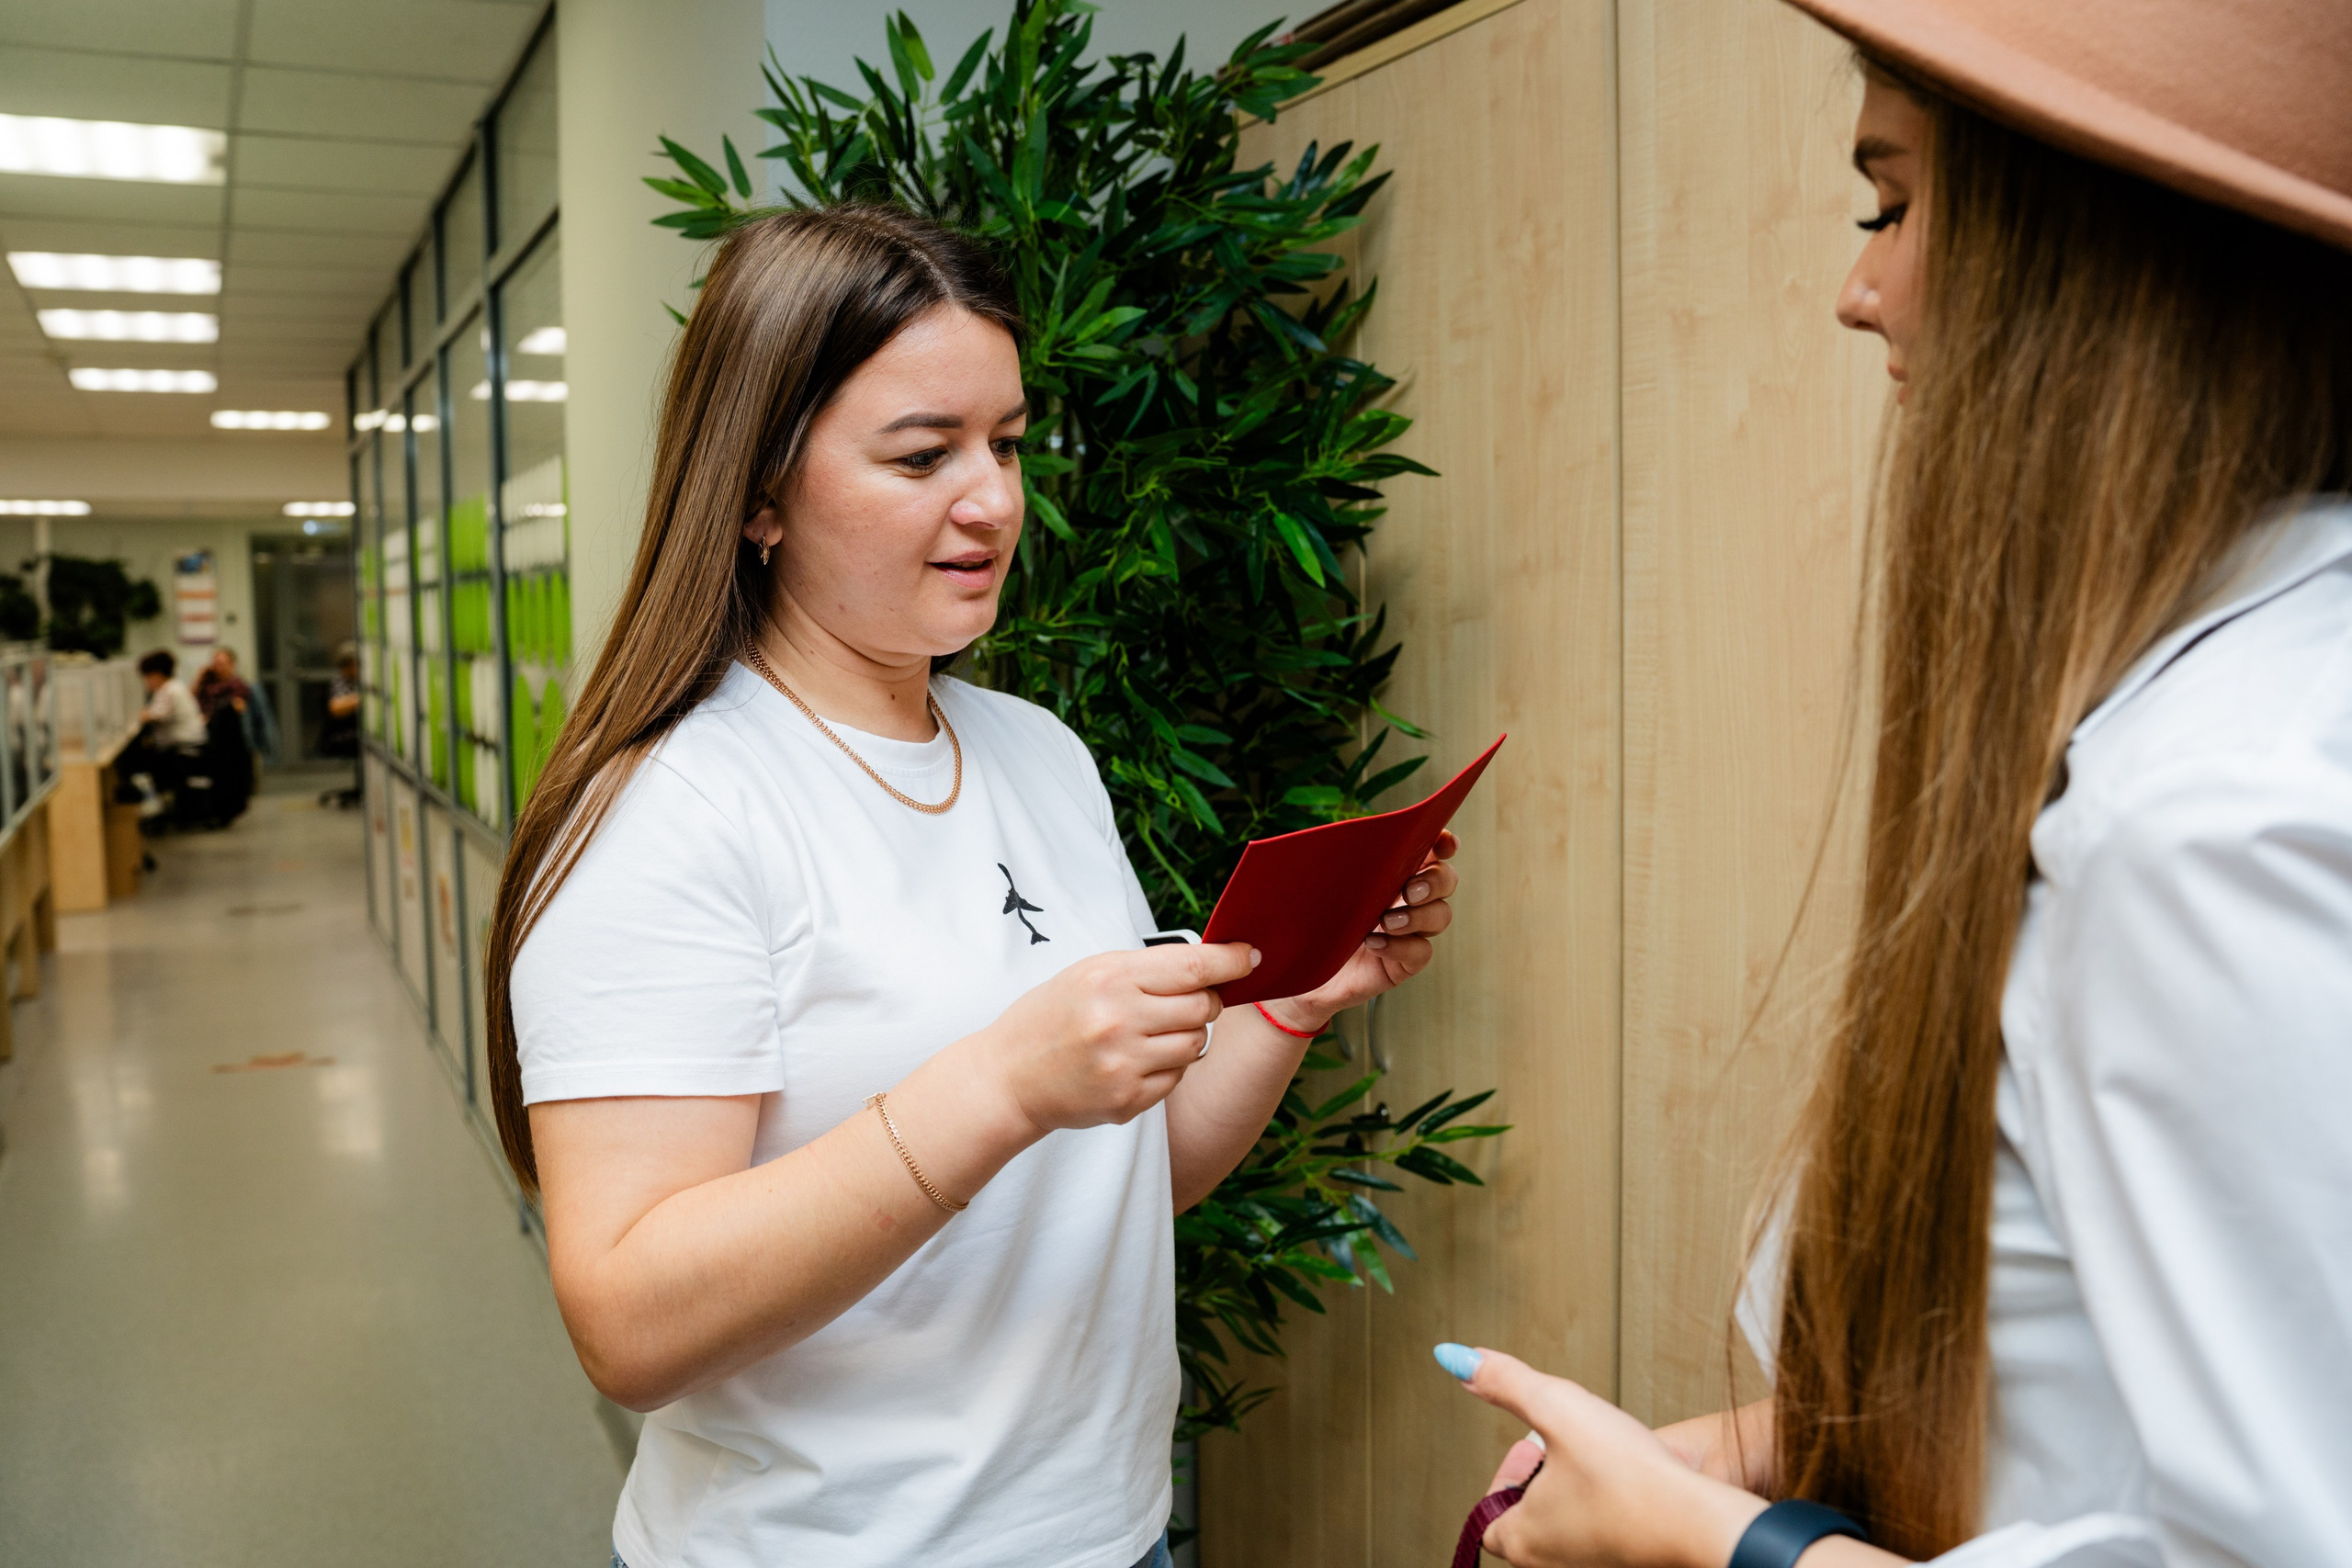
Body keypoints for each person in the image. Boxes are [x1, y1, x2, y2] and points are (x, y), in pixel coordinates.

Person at [1435, 4, 2352, 1567]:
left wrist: (1715, 1537)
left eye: (1895, 205)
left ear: (2098, 253)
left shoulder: (2211, 824)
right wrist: (1763, 1450)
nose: (1859, 291)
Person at [481, 205, 1464, 1568]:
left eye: (1006, 441)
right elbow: (629, 1323)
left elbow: (1126, 1178)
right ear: (759, 495)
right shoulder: (672, 811)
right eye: (922, 453)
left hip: (1106, 1536)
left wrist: (1294, 1002)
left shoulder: (1035, 752)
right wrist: (998, 1084)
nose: (995, 500)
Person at [120, 649, 208, 807]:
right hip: (188, 745)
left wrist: (141, 714)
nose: (146, 682)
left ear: (157, 674)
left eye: (147, 677)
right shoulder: (175, 687)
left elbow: (151, 716)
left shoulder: (169, 691)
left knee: (132, 759)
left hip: (182, 749)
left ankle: (146, 799)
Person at [194, 646, 278, 762]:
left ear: (232, 664)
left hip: (239, 743)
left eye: (221, 664)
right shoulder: (208, 688)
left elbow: (259, 718)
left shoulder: (242, 687)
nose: (218, 668)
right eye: (215, 664)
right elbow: (192, 698)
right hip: (213, 742)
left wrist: (264, 744)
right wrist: (201, 677)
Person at [318, 644, 360, 808]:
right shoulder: (341, 682)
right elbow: (335, 708)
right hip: (343, 736)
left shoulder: (355, 681)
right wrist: (360, 699)